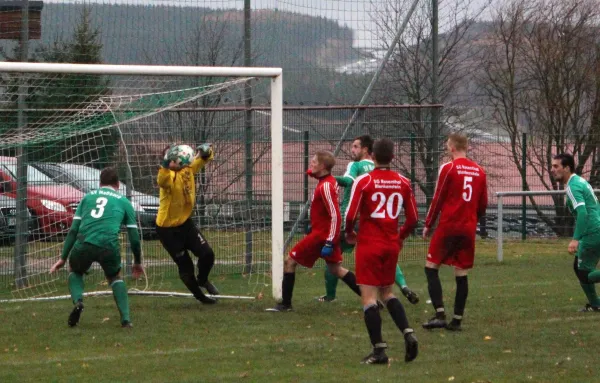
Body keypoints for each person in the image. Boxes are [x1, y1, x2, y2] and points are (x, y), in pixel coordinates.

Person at [319, 135, 419, 305]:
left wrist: (327, 177)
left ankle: (330, 296)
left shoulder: (356, 166)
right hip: (384, 224)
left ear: (367, 151)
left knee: (333, 260)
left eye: (356, 146)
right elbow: (413, 217)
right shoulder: (387, 170)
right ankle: (403, 286)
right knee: (386, 255)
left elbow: (348, 181)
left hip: (354, 218)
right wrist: (401, 236)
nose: (352, 150)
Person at [345, 138, 419, 364]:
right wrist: (401, 237)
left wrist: (349, 232)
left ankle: (379, 350)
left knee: (369, 298)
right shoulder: (404, 182)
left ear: (373, 157)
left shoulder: (364, 181)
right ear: (393, 158)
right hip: (390, 244)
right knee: (387, 293)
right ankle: (408, 333)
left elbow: (350, 215)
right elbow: (414, 218)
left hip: (369, 244)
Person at [266, 150, 362, 312]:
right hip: (323, 233)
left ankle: (285, 304)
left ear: (323, 166)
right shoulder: (327, 181)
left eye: (314, 162)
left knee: (289, 261)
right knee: (336, 269)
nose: (311, 163)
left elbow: (335, 215)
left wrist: (330, 241)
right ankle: (370, 298)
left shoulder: (325, 186)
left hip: (321, 236)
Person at [49, 167, 144, 328]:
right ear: (118, 185)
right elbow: (134, 238)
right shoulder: (124, 201)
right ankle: (126, 320)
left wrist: (63, 258)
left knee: (75, 270)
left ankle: (78, 301)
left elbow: (73, 230)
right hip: (109, 244)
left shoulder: (87, 198)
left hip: (84, 242)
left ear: (100, 183)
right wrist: (137, 261)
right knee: (115, 277)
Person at [422, 132, 487, 331]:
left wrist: (428, 223)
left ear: (451, 148)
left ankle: (440, 314)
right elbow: (483, 204)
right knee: (461, 272)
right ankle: (457, 320)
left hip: (449, 225)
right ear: (466, 147)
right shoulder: (479, 171)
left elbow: (438, 197)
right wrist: (474, 218)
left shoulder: (448, 168)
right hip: (468, 227)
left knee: (431, 266)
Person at [156, 143, 219, 305]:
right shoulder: (168, 176)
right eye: (172, 160)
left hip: (185, 224)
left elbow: (204, 158)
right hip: (168, 230)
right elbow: (162, 181)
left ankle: (203, 280)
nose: (177, 162)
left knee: (207, 254)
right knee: (186, 266)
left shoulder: (188, 169)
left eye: (178, 158)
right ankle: (201, 297)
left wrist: (206, 151)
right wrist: (165, 166)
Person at [551, 153, 600, 312]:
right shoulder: (580, 181)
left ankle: (596, 304)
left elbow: (583, 213)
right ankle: (595, 304)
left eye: (556, 166)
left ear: (567, 168)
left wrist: (575, 239)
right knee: (579, 268)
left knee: (585, 274)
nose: (552, 169)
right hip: (595, 229)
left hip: (592, 232)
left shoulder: (573, 186)